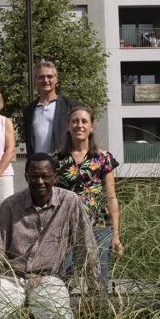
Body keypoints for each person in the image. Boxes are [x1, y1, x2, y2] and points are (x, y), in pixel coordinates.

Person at [0, 152, 102, 319]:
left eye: (45, 176)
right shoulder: (10, 205)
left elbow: (85, 246)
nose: (40, 181)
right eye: (34, 176)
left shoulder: (69, 202)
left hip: (48, 278)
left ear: (55, 177)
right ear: (26, 177)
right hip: (11, 278)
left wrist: (95, 292)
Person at [52, 106, 122, 294]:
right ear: (68, 126)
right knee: (62, 277)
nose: (79, 125)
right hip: (65, 227)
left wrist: (115, 235)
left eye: (84, 121)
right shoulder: (56, 160)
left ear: (92, 126)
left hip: (98, 225)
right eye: (75, 121)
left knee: (98, 277)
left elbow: (111, 197)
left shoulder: (103, 159)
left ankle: (100, 318)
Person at [22, 59, 81, 157]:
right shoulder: (29, 111)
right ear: (35, 80)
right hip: (38, 167)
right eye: (41, 77)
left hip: (65, 166)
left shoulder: (71, 106)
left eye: (49, 76)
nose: (45, 80)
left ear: (56, 79)